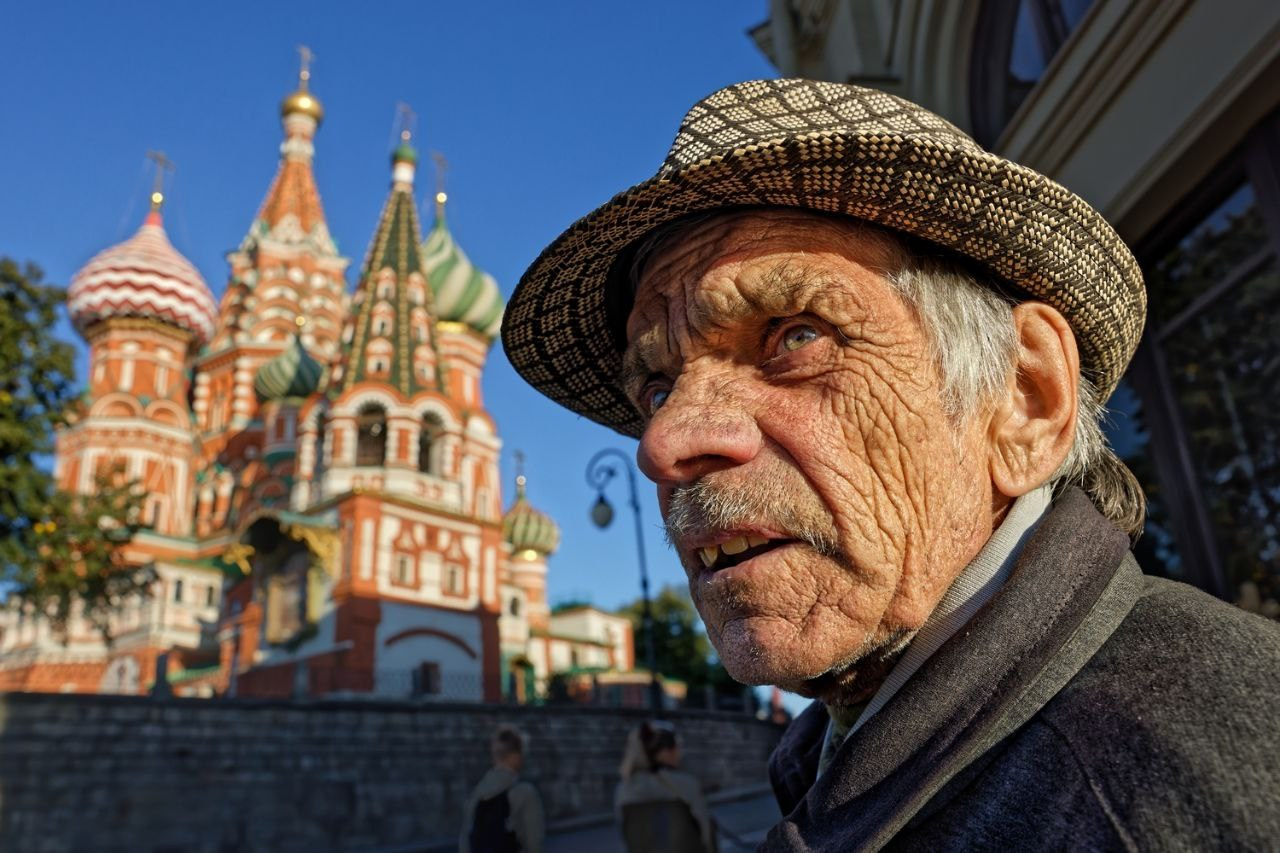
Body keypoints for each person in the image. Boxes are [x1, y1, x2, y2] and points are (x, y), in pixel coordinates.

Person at [502, 79, 1280, 849]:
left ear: (1026, 397)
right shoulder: (873, 741)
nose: (663, 443)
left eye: (795, 336)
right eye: (658, 387)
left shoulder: (1163, 786)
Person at [615, 720, 715, 853]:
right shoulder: (686, 784)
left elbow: (626, 837)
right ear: (664, 752)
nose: (680, 753)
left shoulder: (623, 789)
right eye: (677, 747)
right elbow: (706, 836)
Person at [460, 725, 544, 853]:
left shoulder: (475, 796)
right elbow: (534, 844)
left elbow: (465, 844)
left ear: (494, 756)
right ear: (515, 756)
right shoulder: (525, 793)